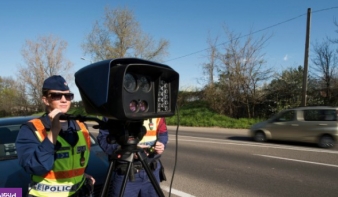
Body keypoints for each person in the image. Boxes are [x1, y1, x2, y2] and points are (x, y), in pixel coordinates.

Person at [15, 75, 95, 197]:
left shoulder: (81, 126)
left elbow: (78, 161)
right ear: (45, 100)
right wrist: (53, 133)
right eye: (57, 95)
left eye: (68, 96)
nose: (64, 100)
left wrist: (81, 175)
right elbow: (35, 167)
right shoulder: (31, 128)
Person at [97, 117, 168, 197]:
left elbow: (163, 133)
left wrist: (162, 144)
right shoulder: (114, 109)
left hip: (151, 171)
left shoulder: (156, 111)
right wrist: (126, 151)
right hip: (126, 172)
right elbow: (103, 139)